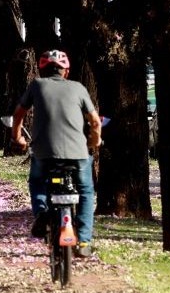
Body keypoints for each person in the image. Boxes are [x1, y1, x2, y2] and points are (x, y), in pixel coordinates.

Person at [11, 49, 102, 258]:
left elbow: (18, 115)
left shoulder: (36, 85)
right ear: (66, 71)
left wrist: (18, 138)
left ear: (42, 70)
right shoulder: (78, 88)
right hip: (77, 153)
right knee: (86, 191)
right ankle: (85, 241)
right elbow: (95, 122)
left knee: (37, 182)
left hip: (44, 152)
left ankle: (42, 213)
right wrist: (94, 142)